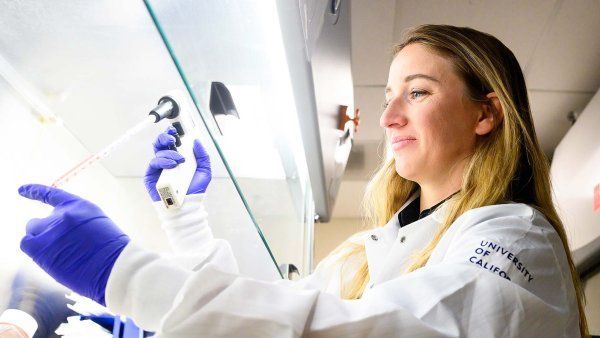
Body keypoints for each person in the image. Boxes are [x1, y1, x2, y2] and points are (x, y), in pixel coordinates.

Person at [17, 24, 588, 337]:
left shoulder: (515, 237)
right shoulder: (373, 248)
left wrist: (127, 274)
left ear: (485, 114)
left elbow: (391, 334)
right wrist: (184, 218)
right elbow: (270, 321)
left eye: (417, 93)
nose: (389, 118)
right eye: (389, 98)